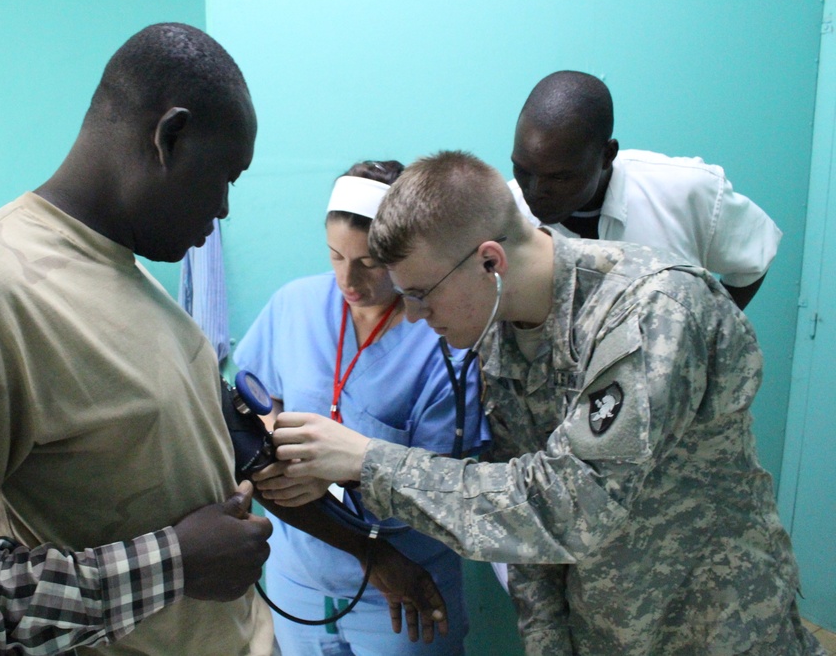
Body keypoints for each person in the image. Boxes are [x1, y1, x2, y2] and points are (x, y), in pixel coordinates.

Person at [261, 150, 825, 655]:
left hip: (713, 628)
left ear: (489, 261)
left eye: (420, 294)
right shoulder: (498, 337)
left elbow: (565, 505)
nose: (413, 317)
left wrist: (367, 461)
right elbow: (526, 542)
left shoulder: (650, 312)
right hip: (604, 630)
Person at [0, 23, 276, 656]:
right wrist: (173, 564)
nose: (226, 208)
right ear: (170, 137)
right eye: (225, 176)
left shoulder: (134, 279)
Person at [235, 160, 485, 655]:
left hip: (402, 591)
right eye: (334, 256)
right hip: (297, 576)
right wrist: (268, 446)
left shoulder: (442, 338)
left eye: (369, 263)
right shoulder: (294, 305)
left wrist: (338, 468)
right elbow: (250, 406)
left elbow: (445, 484)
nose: (348, 279)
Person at [508, 70, 781, 310]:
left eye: (559, 178)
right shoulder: (505, 211)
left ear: (607, 155)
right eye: (522, 170)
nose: (534, 190)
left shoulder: (686, 192)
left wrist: (710, 336)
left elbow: (755, 254)